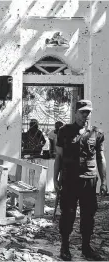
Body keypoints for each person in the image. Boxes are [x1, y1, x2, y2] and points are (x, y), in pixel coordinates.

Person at [54, 100, 107, 261]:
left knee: (88, 216)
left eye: (88, 112)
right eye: (83, 111)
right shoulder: (64, 131)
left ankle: (86, 247)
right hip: (69, 180)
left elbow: (101, 158)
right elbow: (59, 157)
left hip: (89, 181)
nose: (86, 115)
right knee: (67, 214)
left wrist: (104, 181)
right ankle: (65, 247)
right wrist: (55, 179)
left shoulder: (97, 133)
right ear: (75, 112)